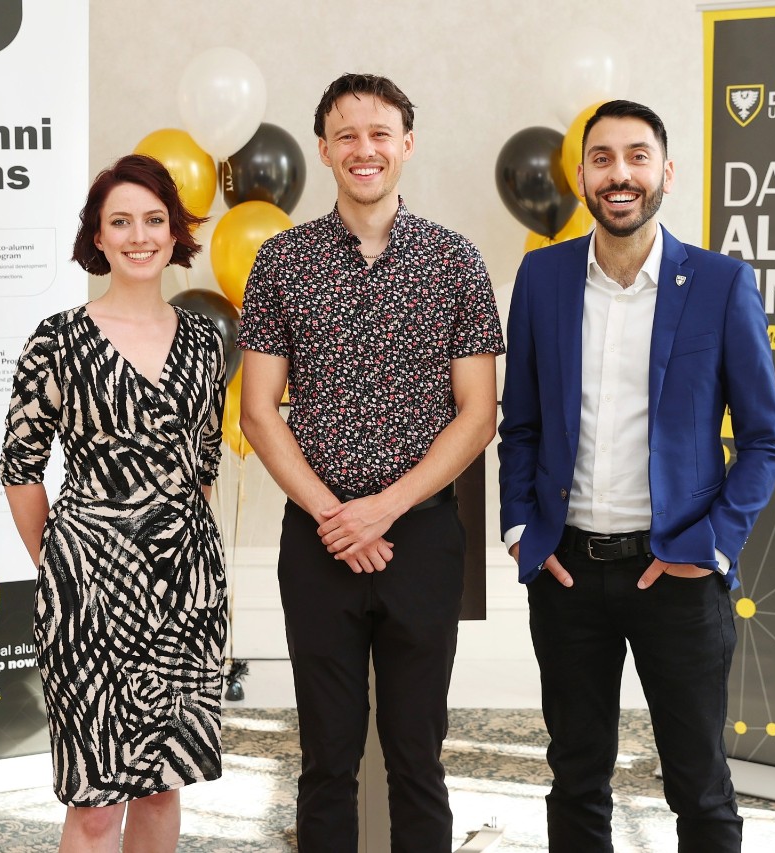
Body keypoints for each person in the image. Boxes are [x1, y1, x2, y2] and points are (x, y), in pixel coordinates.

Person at [497, 100, 775, 853]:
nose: (619, 173)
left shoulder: (723, 285)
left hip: (679, 577)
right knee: (577, 775)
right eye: (601, 158)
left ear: (666, 172)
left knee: (699, 783)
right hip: (567, 575)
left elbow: (764, 442)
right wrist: (526, 530)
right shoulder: (542, 277)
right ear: (583, 174)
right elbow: (520, 424)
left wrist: (712, 546)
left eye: (636, 156)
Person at [236, 73, 504, 853]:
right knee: (325, 757)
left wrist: (382, 509)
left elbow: (477, 414)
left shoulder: (455, 261)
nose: (365, 149)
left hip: (420, 538)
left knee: (419, 755)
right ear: (323, 149)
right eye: (347, 135)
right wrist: (335, 514)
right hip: (317, 540)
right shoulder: (281, 263)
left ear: (407, 145)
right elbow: (259, 410)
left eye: (381, 133)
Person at [0, 154, 227, 853]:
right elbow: (20, 466)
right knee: (96, 802)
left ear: (174, 231)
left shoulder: (205, 342)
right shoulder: (57, 339)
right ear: (96, 237)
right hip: (88, 592)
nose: (139, 234)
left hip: (187, 591)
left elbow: (205, 468)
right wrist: (65, 561)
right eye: (120, 221)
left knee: (162, 783)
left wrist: (186, 561)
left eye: (154, 219)